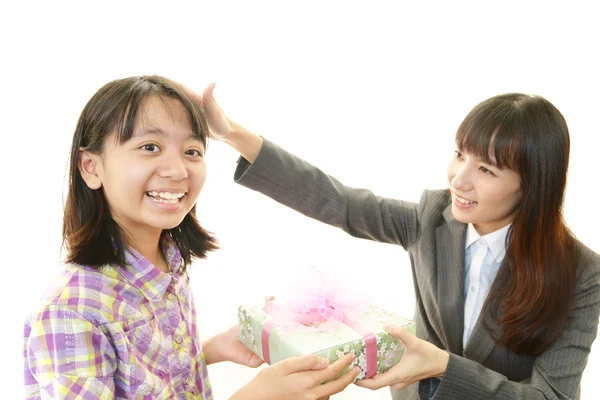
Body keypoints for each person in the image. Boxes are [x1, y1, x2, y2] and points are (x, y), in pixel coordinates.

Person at [188, 83, 600, 399]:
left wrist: (441, 365)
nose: (459, 179)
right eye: (460, 155)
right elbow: (339, 201)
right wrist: (231, 134)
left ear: (533, 186)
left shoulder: (582, 274)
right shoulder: (430, 219)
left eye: (487, 170)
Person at [23, 75, 360, 400]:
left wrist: (206, 352)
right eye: (150, 147)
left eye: (192, 151)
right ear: (91, 167)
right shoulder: (70, 313)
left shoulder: (167, 260)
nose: (178, 170)